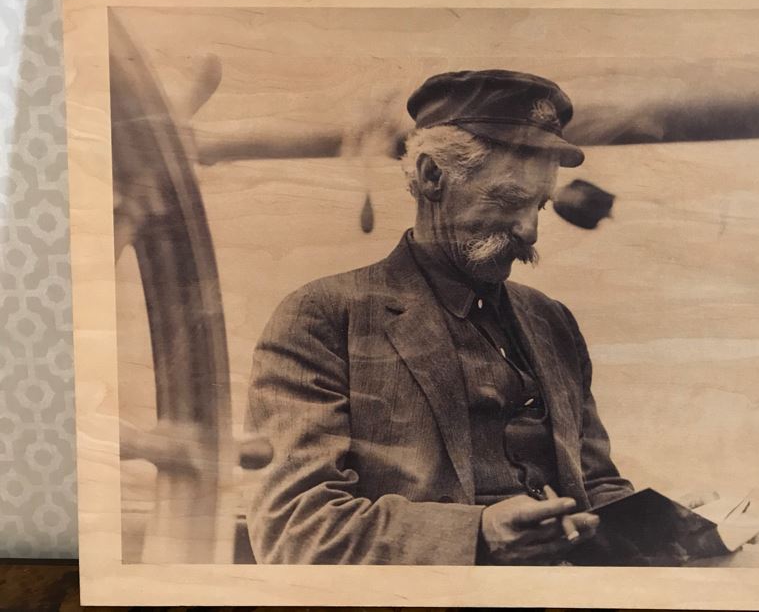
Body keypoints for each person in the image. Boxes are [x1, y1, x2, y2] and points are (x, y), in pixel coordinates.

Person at [246, 69, 634, 566]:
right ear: (432, 176)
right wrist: (478, 536)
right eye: (510, 200)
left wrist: (675, 527)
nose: (530, 231)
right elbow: (296, 528)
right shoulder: (322, 318)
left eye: (540, 205)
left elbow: (596, 484)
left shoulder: (551, 321)